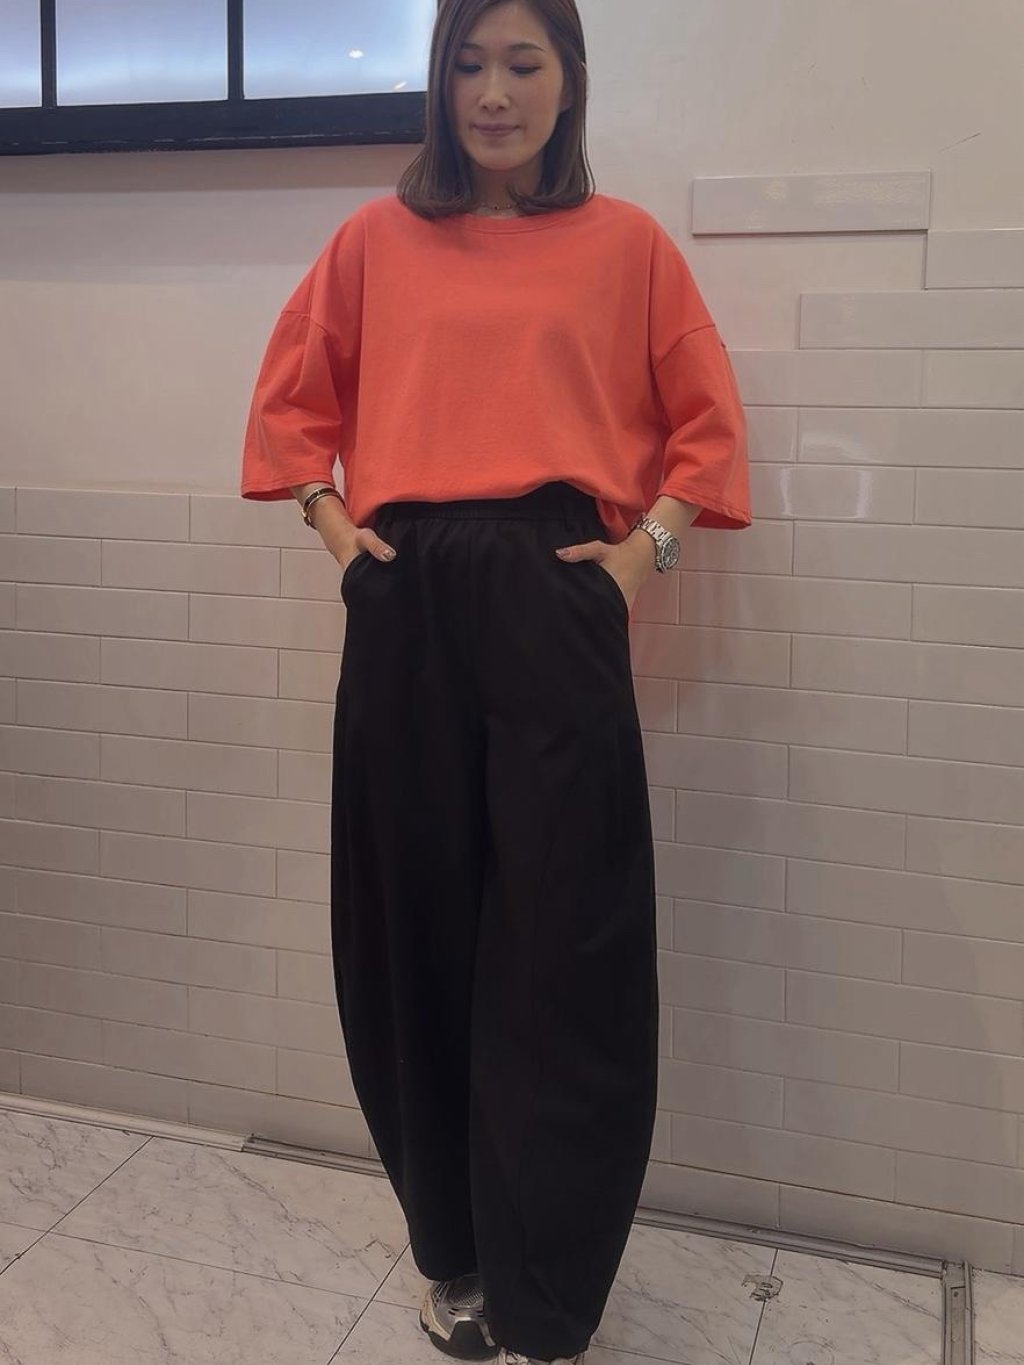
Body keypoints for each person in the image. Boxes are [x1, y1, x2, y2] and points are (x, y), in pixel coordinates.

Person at [240, 1, 752, 1363]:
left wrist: (635, 561)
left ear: (570, 81)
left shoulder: (629, 247)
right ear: (438, 81)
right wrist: (345, 544)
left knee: (565, 941)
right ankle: (454, 1254)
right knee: (410, 928)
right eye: (467, 63)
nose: (494, 91)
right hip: (406, 597)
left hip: (557, 587)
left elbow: (708, 430)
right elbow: (287, 411)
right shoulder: (372, 241)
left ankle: (550, 1289)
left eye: (524, 62)